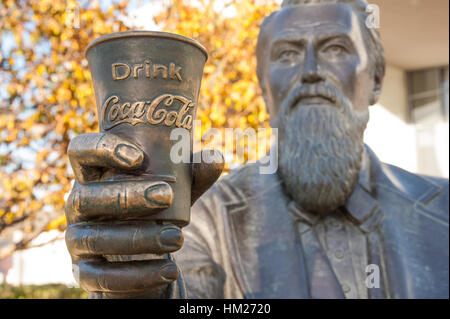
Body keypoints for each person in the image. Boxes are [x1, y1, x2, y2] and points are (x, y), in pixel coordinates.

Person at [64, 0, 449, 299]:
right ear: (265, 88)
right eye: (287, 54)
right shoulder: (204, 216)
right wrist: (134, 277)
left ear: (376, 79)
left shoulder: (444, 210)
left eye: (335, 48)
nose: (310, 70)